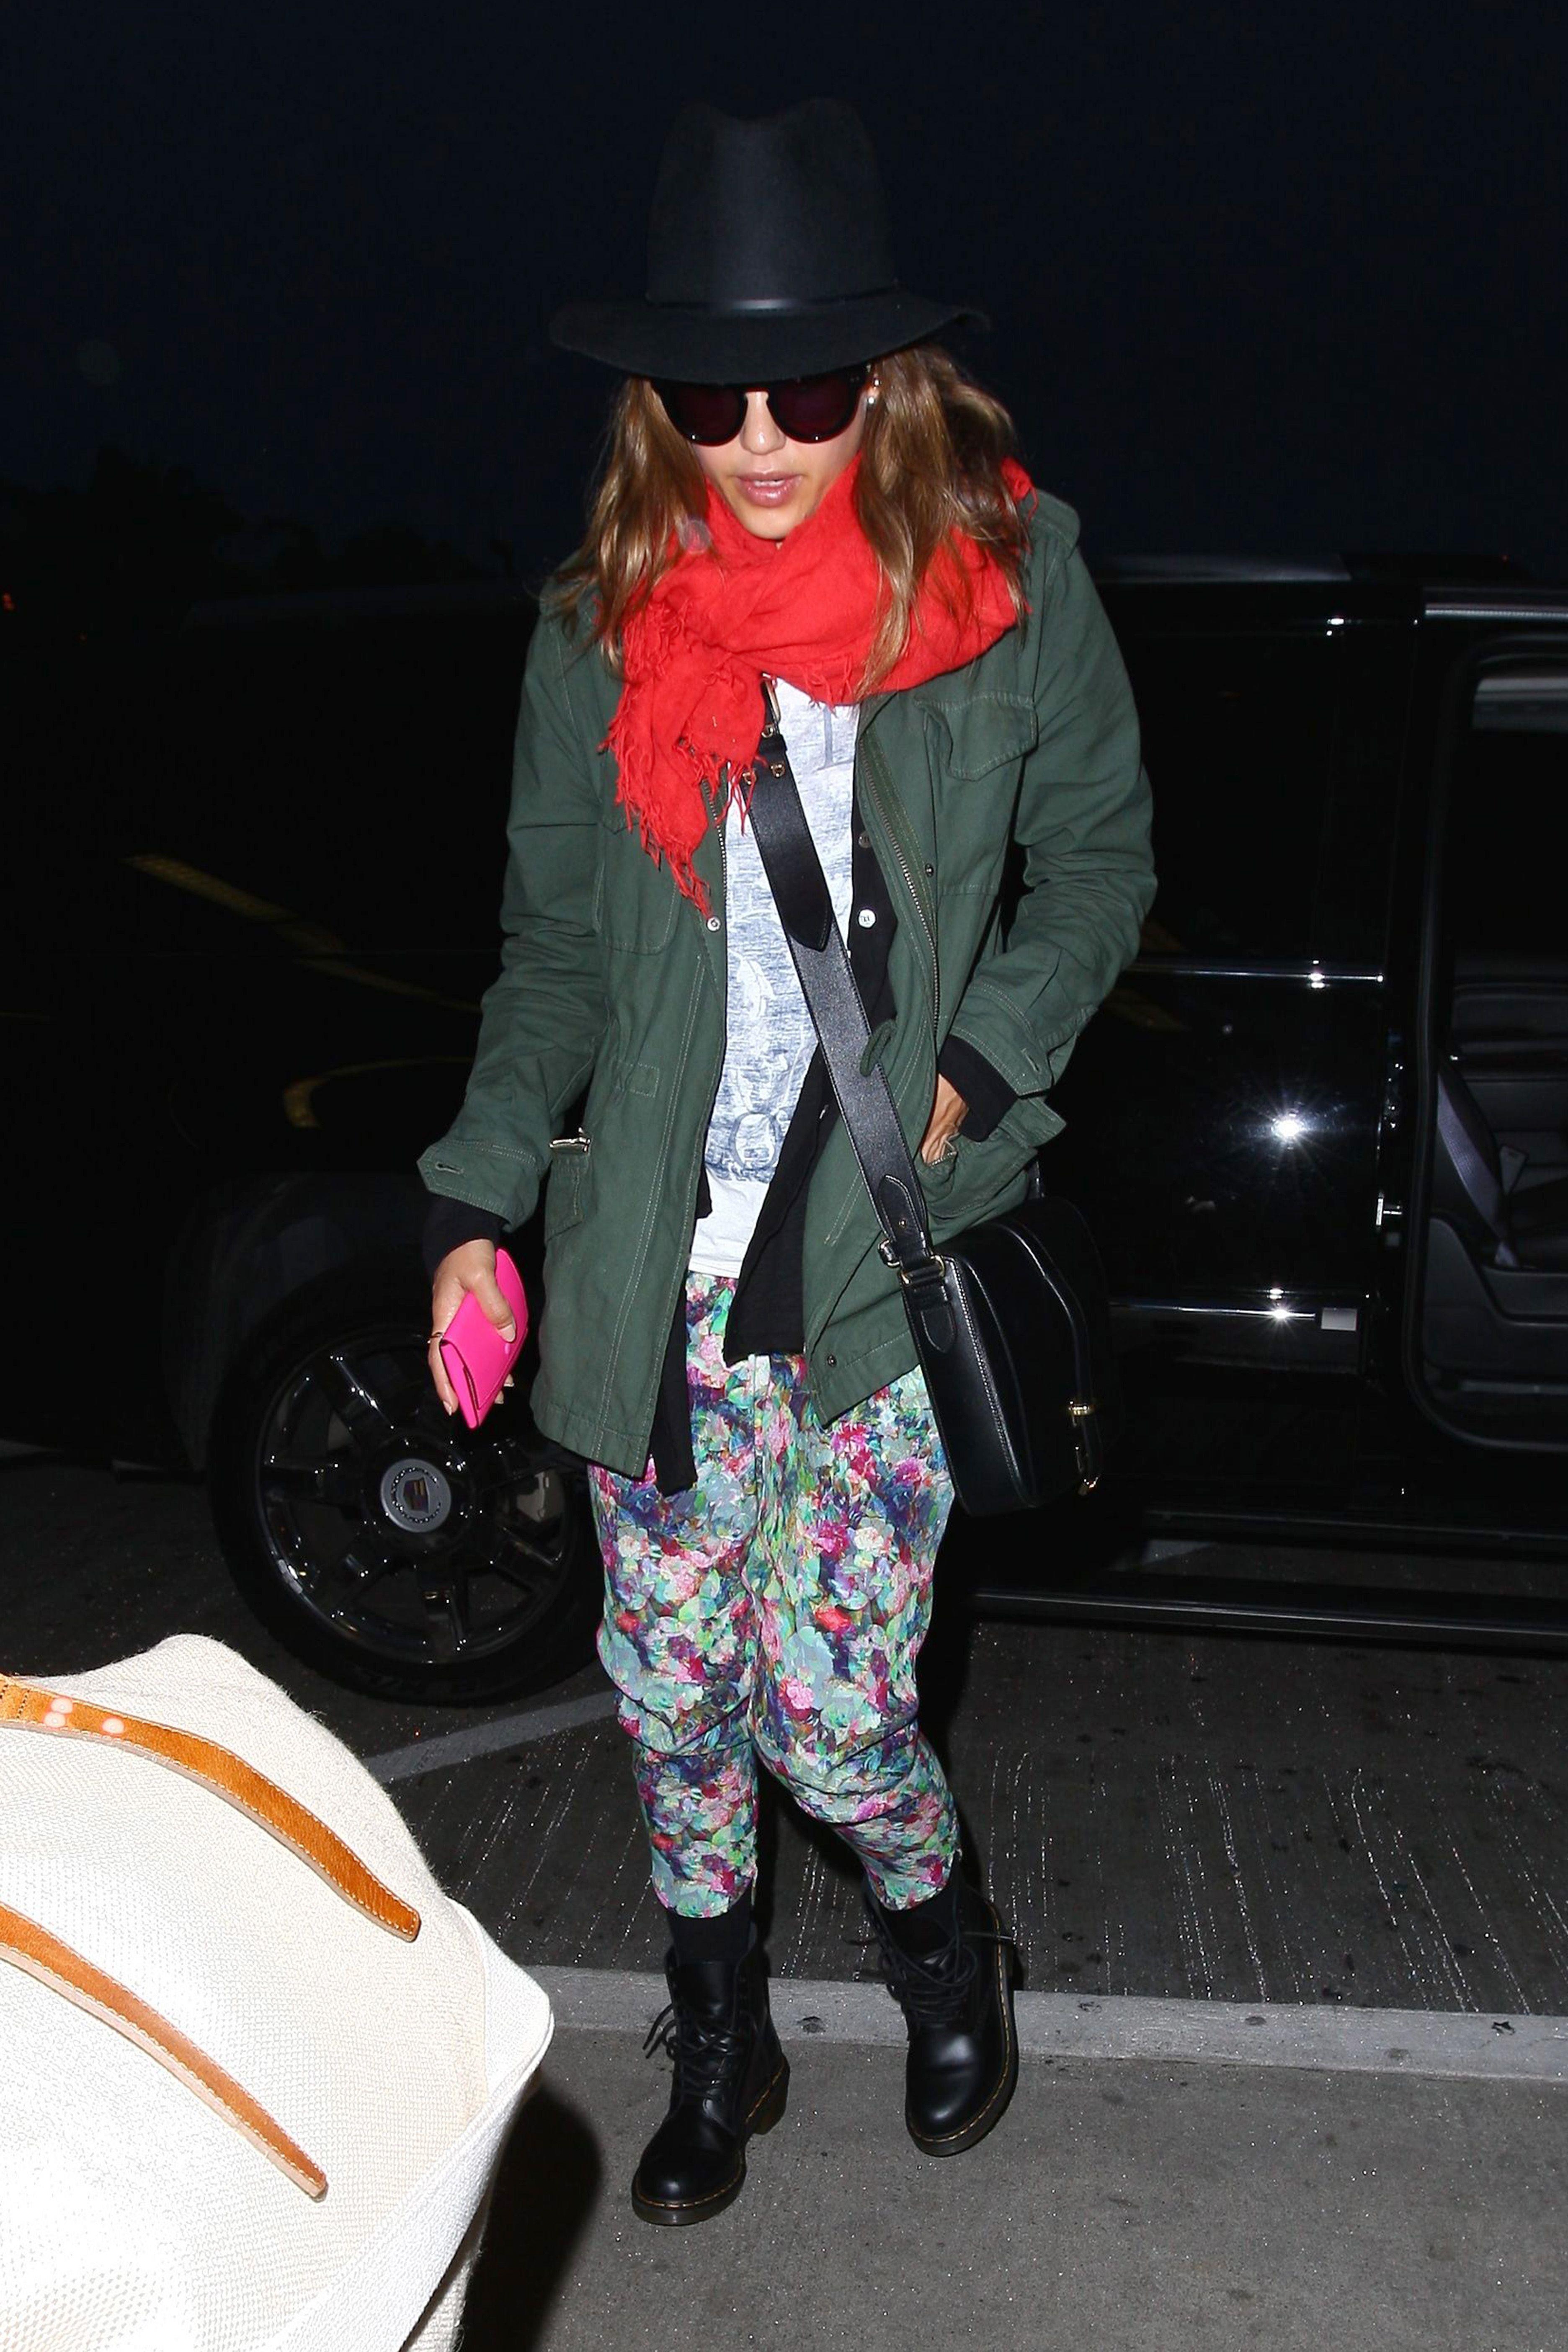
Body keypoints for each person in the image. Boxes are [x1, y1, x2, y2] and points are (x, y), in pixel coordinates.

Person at [419, 97, 1154, 2226]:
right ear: (653, 404)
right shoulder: (601, 627)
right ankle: (720, 2031)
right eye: (709, 396)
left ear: (887, 384)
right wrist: (475, 1202)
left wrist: (982, 1063)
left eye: (807, 393)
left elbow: (1100, 867)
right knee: (673, 1702)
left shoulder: (1014, 587)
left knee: (831, 1718)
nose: (756, 437)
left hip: (875, 1270)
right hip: (653, 1262)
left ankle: (941, 1947)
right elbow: (553, 955)